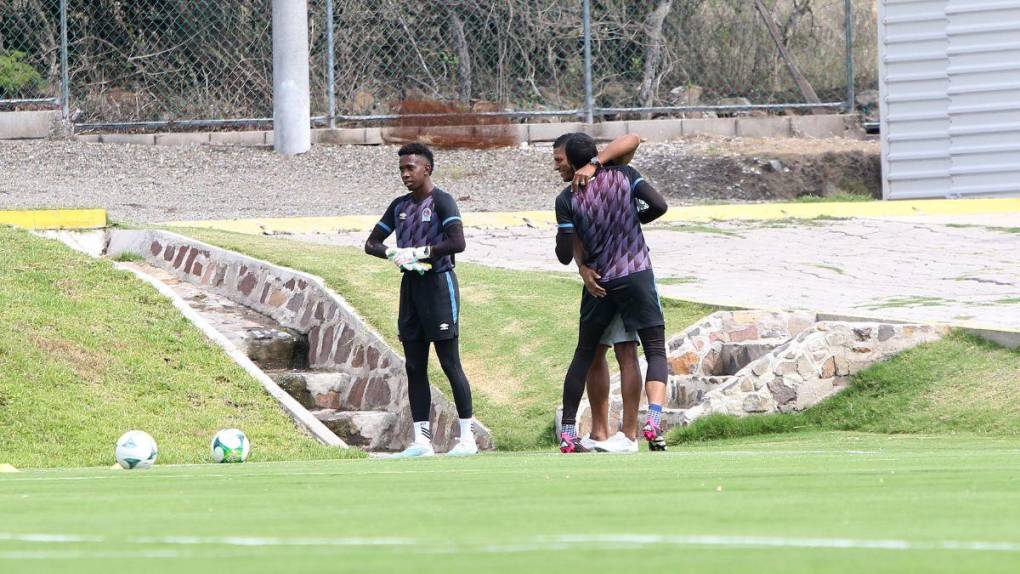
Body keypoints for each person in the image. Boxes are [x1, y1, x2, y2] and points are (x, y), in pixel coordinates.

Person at [555, 133, 670, 453]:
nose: (555, 167)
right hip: (636, 275)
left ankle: (567, 433)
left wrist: (571, 247)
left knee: (584, 354)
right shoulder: (626, 175)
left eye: (558, 160)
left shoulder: (567, 198)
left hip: (600, 283)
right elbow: (659, 205)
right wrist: (636, 217)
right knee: (655, 350)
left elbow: (564, 252)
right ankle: (653, 422)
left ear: (574, 160)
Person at [364, 143, 477, 457]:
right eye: (401, 169)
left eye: (410, 168)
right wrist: (393, 253)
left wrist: (421, 252)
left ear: (427, 168)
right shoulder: (399, 206)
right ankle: (421, 441)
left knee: (449, 362)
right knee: (414, 365)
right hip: (411, 290)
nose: (405, 174)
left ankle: (467, 438)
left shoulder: (442, 201)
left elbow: (457, 242)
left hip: (439, 286)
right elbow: (371, 243)